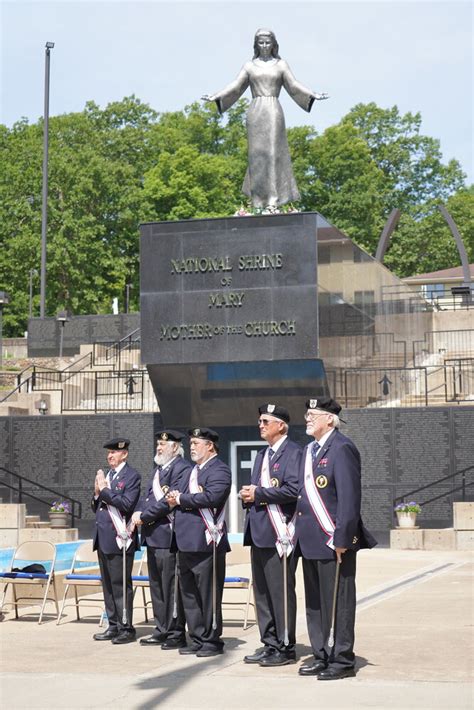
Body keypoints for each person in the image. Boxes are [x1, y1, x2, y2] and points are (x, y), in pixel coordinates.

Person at [295, 397, 377, 680]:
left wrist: (342, 538)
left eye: (313, 414)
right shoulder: (309, 451)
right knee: (316, 603)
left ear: (329, 419)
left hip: (333, 542)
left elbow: (349, 499)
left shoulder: (342, 448)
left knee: (338, 602)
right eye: (306, 414)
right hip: (309, 541)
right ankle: (321, 653)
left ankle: (341, 659)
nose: (307, 418)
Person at [202, 28, 328, 211]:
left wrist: (312, 94)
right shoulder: (249, 66)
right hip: (255, 113)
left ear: (274, 44)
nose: (264, 46)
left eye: (267, 42)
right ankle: (258, 201)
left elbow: (293, 85)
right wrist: (216, 96)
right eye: (261, 42)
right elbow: (236, 86)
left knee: (272, 154)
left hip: (273, 111)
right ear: (256, 44)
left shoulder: (281, 65)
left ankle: (273, 201)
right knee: (257, 157)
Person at [239, 404, 302, 666]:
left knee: (280, 592)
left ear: (281, 426)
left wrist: (259, 494)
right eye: (260, 421)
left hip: (281, 535)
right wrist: (247, 497)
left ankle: (286, 647)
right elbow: (260, 491)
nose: (261, 425)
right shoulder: (262, 455)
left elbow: (293, 490)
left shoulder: (294, 452)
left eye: (266, 421)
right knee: (262, 593)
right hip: (260, 532)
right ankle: (270, 642)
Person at [167, 428, 231, 657]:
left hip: (206, 542)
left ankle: (212, 640)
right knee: (189, 594)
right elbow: (177, 495)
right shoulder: (190, 472)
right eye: (191, 443)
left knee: (208, 594)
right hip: (184, 541)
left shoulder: (220, 470)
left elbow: (212, 497)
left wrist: (182, 499)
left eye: (196, 443)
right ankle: (196, 637)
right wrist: (178, 498)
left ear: (210, 445)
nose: (192, 447)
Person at [131, 429, 191, 649]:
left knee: (171, 587)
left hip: (169, 536)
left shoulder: (182, 469)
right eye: (158, 443)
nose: (159, 447)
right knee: (157, 586)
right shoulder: (158, 470)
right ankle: (161, 629)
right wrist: (138, 513)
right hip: (154, 537)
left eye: (163, 445)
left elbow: (169, 501)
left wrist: (144, 516)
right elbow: (147, 498)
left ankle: (175, 632)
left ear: (175, 447)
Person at [91, 438, 141, 644]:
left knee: (121, 585)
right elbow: (97, 506)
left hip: (120, 539)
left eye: (114, 452)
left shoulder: (131, 476)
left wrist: (104, 491)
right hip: (103, 538)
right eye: (109, 452)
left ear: (124, 454)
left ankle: (126, 627)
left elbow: (127, 504)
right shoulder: (107, 476)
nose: (110, 456)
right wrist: (96, 495)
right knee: (109, 587)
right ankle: (113, 624)